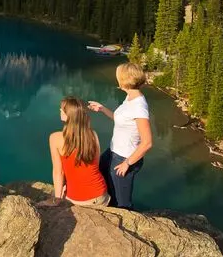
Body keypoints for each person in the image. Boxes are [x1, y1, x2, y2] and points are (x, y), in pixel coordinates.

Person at [88, 63, 152, 210]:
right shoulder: (130, 97)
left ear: (124, 81)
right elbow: (123, 120)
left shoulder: (139, 107)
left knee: (122, 201)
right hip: (113, 151)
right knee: (102, 181)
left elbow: (147, 142)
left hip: (124, 158)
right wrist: (103, 109)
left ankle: (123, 227)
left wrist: (127, 163)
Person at [38, 97, 110, 207]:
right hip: (101, 196)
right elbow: (95, 165)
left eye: (63, 109)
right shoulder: (93, 134)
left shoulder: (55, 138)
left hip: (79, 200)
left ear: (69, 115)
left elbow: (59, 172)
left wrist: (57, 199)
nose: (60, 110)